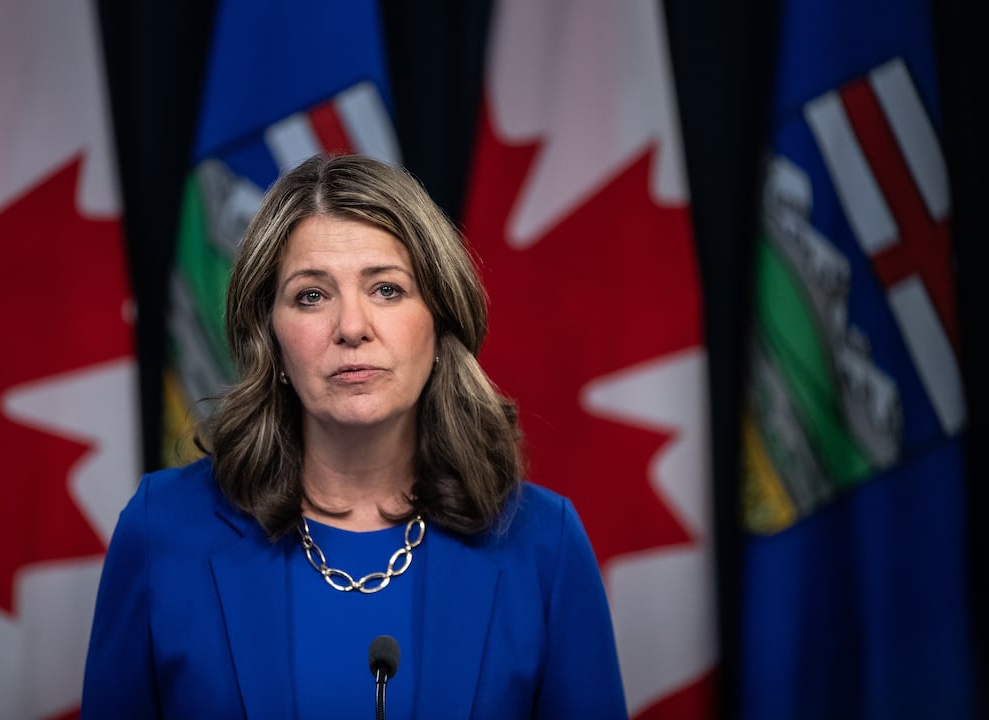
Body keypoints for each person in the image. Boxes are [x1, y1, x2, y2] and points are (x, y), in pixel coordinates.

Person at [82, 154, 626, 718]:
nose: (351, 327)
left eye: (387, 290)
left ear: (439, 322)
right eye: (311, 295)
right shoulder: (162, 531)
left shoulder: (543, 543)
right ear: (270, 337)